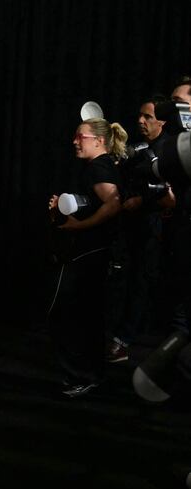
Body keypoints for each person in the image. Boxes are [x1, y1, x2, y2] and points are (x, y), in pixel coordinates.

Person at [48, 117, 126, 398]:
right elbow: (93, 203)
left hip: (88, 254)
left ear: (99, 141)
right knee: (86, 318)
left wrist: (78, 225)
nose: (75, 141)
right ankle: (88, 375)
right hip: (92, 252)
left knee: (68, 315)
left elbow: (113, 203)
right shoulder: (99, 167)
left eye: (80, 136)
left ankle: (82, 375)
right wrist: (62, 208)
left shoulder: (99, 167)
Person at [105, 96, 169, 363]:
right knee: (126, 280)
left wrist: (142, 200)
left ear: (163, 121)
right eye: (140, 116)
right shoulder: (139, 147)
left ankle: (124, 340)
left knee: (141, 283)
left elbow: (169, 190)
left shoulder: (171, 150)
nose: (141, 121)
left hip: (154, 229)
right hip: (131, 227)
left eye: (149, 117)